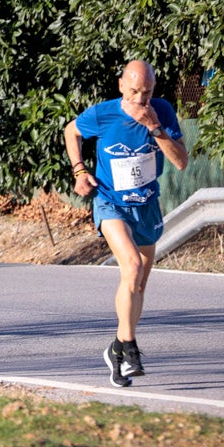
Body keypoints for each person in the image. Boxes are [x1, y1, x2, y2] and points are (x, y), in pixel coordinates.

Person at [63, 60, 188, 388]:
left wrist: (155, 128)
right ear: (121, 86)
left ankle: (117, 347)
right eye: (133, 91)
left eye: (146, 92)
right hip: (110, 202)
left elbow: (180, 161)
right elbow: (71, 131)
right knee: (130, 267)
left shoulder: (161, 111)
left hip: (146, 206)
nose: (140, 99)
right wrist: (79, 171)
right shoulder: (103, 114)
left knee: (140, 282)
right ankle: (131, 349)